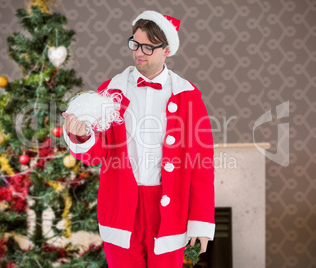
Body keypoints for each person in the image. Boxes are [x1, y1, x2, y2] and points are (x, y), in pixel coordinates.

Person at [62, 10, 215, 268]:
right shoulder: (111, 91)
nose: (138, 52)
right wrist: (81, 135)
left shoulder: (188, 95)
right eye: (135, 43)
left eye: (148, 46)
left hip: (168, 208)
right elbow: (96, 156)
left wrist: (200, 220)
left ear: (166, 50)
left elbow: (202, 163)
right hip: (122, 204)